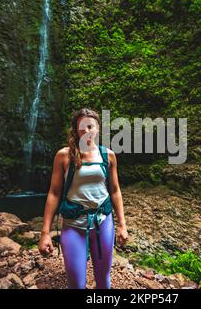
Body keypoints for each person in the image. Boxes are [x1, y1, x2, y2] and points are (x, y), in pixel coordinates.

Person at [38, 108, 128, 289]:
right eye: (82, 127)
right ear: (75, 130)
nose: (86, 131)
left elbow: (115, 191)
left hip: (103, 221)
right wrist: (45, 233)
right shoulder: (64, 155)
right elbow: (54, 193)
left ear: (97, 129)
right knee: (76, 283)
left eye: (90, 126)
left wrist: (122, 225)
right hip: (73, 224)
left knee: (103, 280)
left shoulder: (108, 155)